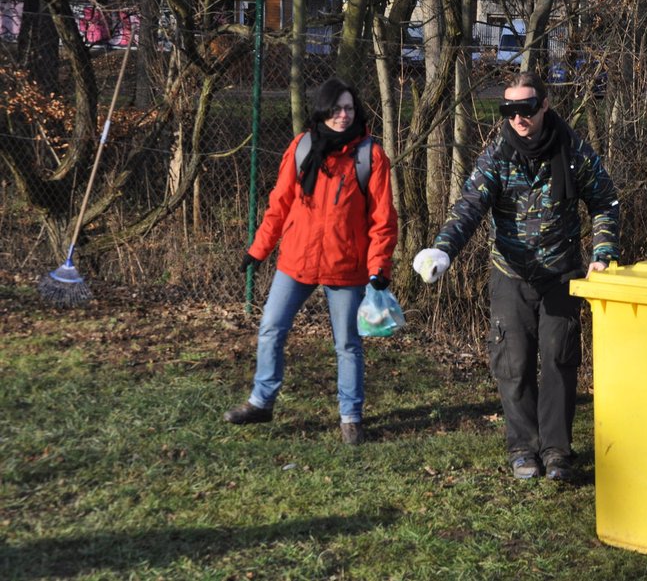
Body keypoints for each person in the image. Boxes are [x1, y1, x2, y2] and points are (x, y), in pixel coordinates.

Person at [412, 72, 620, 480]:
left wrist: (603, 253)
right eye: (509, 110)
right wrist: (443, 249)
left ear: (543, 106)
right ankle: (524, 448)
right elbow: (470, 205)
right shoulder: (498, 156)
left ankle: (557, 450)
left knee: (560, 360)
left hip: (561, 274)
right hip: (511, 273)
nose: (518, 118)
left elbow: (605, 201)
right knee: (514, 361)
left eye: (526, 108)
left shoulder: (573, 151)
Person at [224, 77, 398, 445]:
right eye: (336, 108)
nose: (343, 115)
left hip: (346, 266)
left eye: (349, 108)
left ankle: (350, 417)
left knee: (348, 344)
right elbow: (279, 204)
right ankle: (261, 401)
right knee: (271, 328)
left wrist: (378, 269)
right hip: (296, 261)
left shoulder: (370, 156)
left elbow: (383, 220)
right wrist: (258, 249)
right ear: (322, 110)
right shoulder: (302, 147)